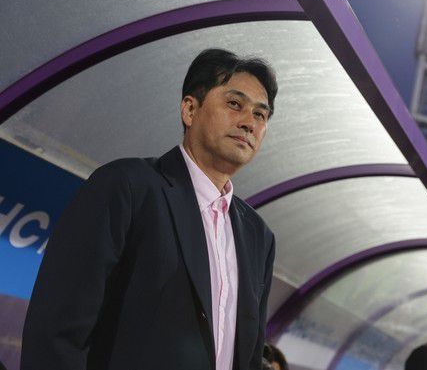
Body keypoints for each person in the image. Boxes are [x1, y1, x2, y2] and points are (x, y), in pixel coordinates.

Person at [21, 49, 278, 370]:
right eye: (235, 104)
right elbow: (57, 334)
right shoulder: (126, 187)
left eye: (260, 115)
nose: (249, 123)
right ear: (190, 109)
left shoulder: (258, 236)